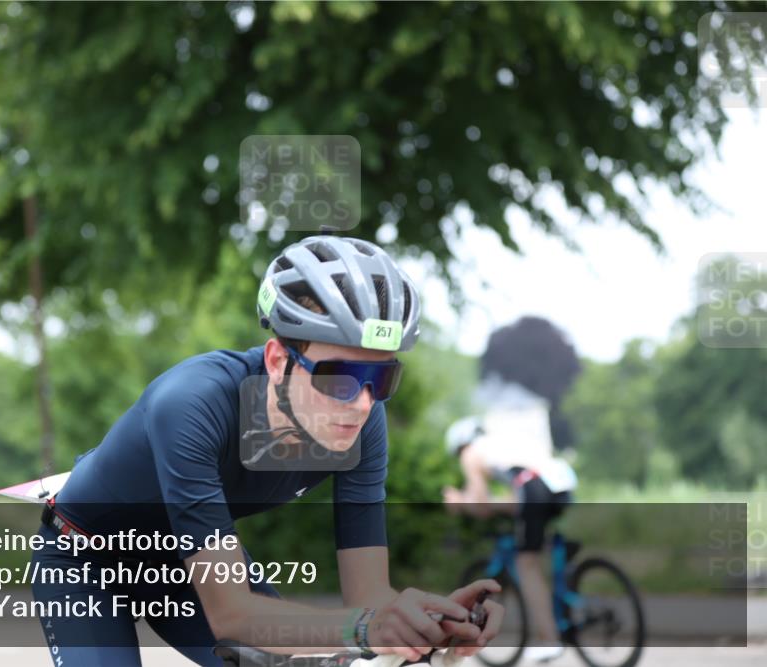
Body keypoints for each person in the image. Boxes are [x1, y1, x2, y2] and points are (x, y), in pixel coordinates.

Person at [31, 235, 503, 666]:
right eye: (338, 377)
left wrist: (426, 626)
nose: (362, 403)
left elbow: (370, 598)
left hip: (182, 562)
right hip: (84, 557)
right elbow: (233, 616)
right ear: (278, 361)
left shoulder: (364, 423)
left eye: (381, 378)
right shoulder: (194, 403)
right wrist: (366, 629)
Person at [442, 416, 578, 663]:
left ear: (460, 445)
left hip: (534, 487)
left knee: (527, 565)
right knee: (540, 552)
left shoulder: (470, 454)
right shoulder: (503, 446)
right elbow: (514, 504)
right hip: (560, 485)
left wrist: (458, 502)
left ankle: (550, 640)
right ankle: (565, 606)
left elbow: (482, 508)